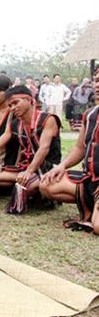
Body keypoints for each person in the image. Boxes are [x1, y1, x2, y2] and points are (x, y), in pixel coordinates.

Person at [0, 85, 61, 214]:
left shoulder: (48, 119)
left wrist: (29, 172)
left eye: (15, 103)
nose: (13, 108)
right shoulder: (15, 124)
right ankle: (23, 186)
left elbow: (44, 148)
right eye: (10, 105)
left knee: (25, 186)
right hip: (25, 166)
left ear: (29, 100)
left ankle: (36, 189)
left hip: (46, 168)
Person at [40, 67, 99, 234]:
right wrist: (62, 166)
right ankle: (93, 202)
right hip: (91, 179)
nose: (97, 85)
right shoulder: (89, 114)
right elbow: (80, 147)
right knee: (46, 184)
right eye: (96, 80)